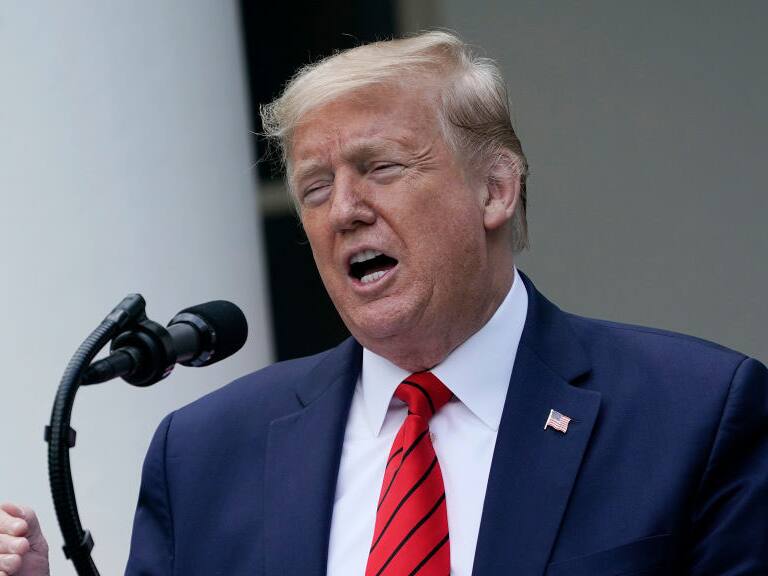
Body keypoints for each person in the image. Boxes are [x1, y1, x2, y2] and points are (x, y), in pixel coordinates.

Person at [3, 31, 767, 575]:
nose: (344, 211)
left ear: (495, 189)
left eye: (382, 167)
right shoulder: (204, 455)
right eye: (314, 187)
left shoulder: (693, 416)